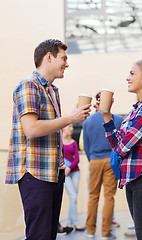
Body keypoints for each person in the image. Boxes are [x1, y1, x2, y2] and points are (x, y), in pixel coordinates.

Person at [5, 39, 91, 240]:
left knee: (49, 234)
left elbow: (50, 128)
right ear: (49, 57)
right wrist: (70, 118)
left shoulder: (52, 90)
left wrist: (72, 116)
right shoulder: (28, 85)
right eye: (64, 58)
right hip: (35, 173)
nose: (67, 64)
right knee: (39, 235)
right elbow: (32, 129)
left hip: (53, 172)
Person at [100, 59, 142, 240]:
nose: (127, 77)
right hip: (133, 179)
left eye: (132, 73)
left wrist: (120, 142)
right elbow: (116, 147)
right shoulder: (134, 111)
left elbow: (122, 147)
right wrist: (106, 115)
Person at [83, 92, 123, 239]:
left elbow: (86, 145)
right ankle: (105, 232)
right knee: (109, 197)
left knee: (93, 196)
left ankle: (90, 231)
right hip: (111, 161)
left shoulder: (88, 121)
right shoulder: (118, 119)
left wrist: (92, 159)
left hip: (94, 161)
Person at [63, 124, 85, 231]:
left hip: (75, 172)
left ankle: (69, 223)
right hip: (65, 174)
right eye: (69, 127)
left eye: (72, 127)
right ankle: (75, 223)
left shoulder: (74, 142)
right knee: (73, 196)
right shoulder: (59, 142)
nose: (71, 129)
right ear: (63, 128)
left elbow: (77, 159)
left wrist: (69, 168)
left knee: (74, 198)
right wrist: (65, 169)